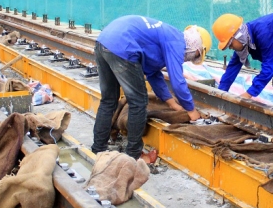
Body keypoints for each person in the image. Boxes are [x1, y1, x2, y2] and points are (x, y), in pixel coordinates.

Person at [91, 15, 212, 163]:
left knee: (109, 99)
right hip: (123, 46)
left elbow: (154, 74)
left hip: (103, 41)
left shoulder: (166, 37)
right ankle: (134, 156)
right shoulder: (177, 41)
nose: (190, 59)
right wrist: (191, 110)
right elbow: (177, 81)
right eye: (195, 56)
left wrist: (172, 104)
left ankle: (98, 148)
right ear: (196, 46)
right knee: (139, 102)